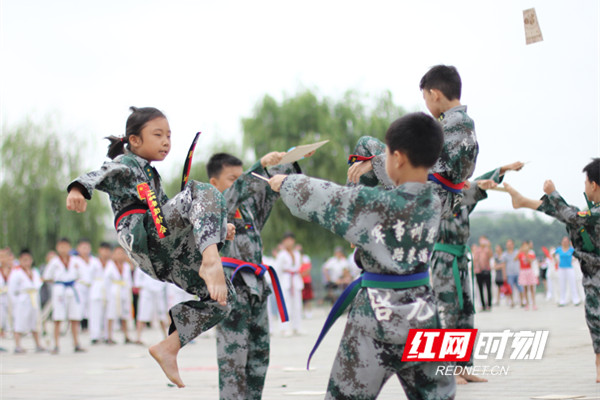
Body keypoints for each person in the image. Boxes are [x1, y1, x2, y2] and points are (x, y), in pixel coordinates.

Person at [268, 112, 456, 399]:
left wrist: (286, 181)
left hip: (376, 317)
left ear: (400, 158)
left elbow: (330, 197)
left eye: (388, 154)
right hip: (425, 314)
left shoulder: (375, 205)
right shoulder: (434, 200)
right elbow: (404, 187)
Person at [66, 106, 235, 388]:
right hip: (144, 234)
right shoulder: (127, 164)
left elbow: (177, 214)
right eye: (158, 135)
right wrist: (78, 190)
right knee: (202, 190)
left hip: (162, 256)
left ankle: (170, 347)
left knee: (225, 297)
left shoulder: (152, 176)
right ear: (134, 140)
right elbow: (101, 173)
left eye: (169, 135)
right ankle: (210, 259)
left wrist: (215, 228)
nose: (166, 141)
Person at [207, 150, 305, 400]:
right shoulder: (212, 206)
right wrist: (258, 166)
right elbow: (239, 189)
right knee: (233, 360)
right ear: (214, 183)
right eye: (232, 178)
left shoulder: (249, 210)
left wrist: (289, 162)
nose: (240, 181)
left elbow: (269, 190)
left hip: (257, 288)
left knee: (258, 358)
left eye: (242, 176)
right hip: (232, 288)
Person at [505, 158, 600, 380]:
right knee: (595, 318)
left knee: (596, 318)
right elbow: (574, 217)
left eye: (586, 182)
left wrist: (553, 193)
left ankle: (524, 202)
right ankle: (523, 202)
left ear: (594, 184)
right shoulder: (593, 213)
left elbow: (574, 218)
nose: (584, 187)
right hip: (593, 273)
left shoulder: (595, 214)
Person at [430, 161, 523, 385]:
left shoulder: (462, 198)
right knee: (448, 312)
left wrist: (503, 170)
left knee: (466, 311)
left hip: (461, 259)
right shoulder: (436, 195)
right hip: (443, 260)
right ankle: (448, 369)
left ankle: (464, 367)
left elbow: (481, 184)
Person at [347, 65, 478, 219]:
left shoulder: (456, 122)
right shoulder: (460, 121)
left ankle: (351, 215)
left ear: (434, 94)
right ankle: (354, 214)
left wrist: (373, 162)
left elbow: (424, 159)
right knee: (367, 145)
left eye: (425, 98)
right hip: (438, 191)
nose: (427, 104)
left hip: (433, 195)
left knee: (366, 148)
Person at [42, 238, 86, 354]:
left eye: (66, 246)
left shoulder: (76, 260)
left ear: (70, 247)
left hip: (72, 289)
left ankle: (76, 343)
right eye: (61, 246)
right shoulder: (54, 261)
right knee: (58, 318)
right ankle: (56, 344)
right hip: (60, 290)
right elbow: (46, 277)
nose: (63, 249)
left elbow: (83, 275)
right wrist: (58, 282)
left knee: (75, 318)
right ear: (57, 247)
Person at [8, 249, 45, 353]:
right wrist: (16, 303)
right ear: (20, 260)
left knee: (35, 322)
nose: (26, 262)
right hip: (22, 300)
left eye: (28, 260)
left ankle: (38, 344)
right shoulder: (16, 273)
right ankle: (18, 345)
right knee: (19, 322)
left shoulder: (34, 272)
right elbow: (12, 290)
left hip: (33, 299)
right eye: (24, 260)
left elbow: (37, 285)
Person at [276, 232, 304, 337]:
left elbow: (299, 267)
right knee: (285, 305)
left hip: (295, 279)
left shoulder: (297, 253)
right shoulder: (281, 254)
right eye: (287, 240)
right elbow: (278, 270)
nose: (289, 242)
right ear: (283, 241)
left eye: (291, 240)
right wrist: (278, 283)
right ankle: (284, 328)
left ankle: (297, 327)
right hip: (285, 280)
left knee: (297, 305)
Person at [105, 246, 133, 344]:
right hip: (114, 291)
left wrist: (129, 294)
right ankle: (109, 336)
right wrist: (107, 294)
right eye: (117, 253)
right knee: (111, 314)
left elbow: (129, 281)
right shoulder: (110, 265)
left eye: (122, 253)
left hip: (124, 291)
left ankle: (126, 335)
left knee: (125, 314)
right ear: (113, 255)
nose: (120, 255)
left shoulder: (127, 266)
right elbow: (106, 281)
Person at [134, 265, 168, 344]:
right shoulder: (141, 262)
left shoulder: (160, 262)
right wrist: (140, 287)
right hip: (146, 292)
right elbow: (138, 280)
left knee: (161, 314)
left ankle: (166, 336)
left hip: (159, 291)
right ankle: (138, 337)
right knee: (142, 314)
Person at [89, 242, 111, 345]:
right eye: (104, 250)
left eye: (107, 250)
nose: (105, 253)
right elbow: (88, 277)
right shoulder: (93, 262)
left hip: (107, 290)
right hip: (96, 290)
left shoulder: (111, 263)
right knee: (95, 313)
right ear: (99, 250)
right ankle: (94, 335)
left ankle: (106, 335)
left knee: (107, 314)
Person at [554, 237, 581, 306]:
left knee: (572, 283)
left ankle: (575, 299)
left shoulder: (571, 249)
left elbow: (577, 255)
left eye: (566, 241)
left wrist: (573, 260)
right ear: (562, 242)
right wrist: (557, 261)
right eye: (564, 241)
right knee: (562, 284)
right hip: (561, 268)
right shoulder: (559, 249)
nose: (565, 243)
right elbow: (553, 255)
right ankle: (562, 300)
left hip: (569, 268)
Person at [74, 239, 93, 331]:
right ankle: (77, 325)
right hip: (79, 286)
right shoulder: (74, 260)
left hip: (90, 286)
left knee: (89, 306)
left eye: (87, 248)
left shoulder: (93, 260)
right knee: (79, 306)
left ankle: (87, 325)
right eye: (83, 248)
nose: (85, 250)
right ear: (78, 249)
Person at [500, 239, 522, 307]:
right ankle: (512, 301)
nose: (509, 246)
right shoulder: (504, 254)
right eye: (508, 245)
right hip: (509, 274)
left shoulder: (517, 252)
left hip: (517, 272)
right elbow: (503, 265)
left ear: (513, 245)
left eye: (510, 244)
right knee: (510, 289)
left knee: (520, 288)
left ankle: (522, 301)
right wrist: (504, 275)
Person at [473, 236, 493, 311]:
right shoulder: (477, 250)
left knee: (488, 288)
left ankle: (489, 304)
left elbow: (491, 256)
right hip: (479, 271)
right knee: (480, 288)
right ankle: (483, 304)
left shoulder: (487, 250)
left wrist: (488, 246)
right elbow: (475, 260)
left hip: (486, 271)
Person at [516, 241, 538, 310]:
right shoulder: (520, 254)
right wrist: (520, 252)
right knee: (525, 289)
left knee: (531, 288)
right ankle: (527, 304)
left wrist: (526, 255)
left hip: (529, 271)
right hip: (523, 271)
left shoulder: (530, 254)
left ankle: (534, 303)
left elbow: (531, 261)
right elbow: (515, 259)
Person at [0, 248, 14, 340]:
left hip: (10, 296)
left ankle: (10, 331)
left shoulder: (13, 269)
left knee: (11, 315)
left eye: (3, 257)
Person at [298, 245, 314, 319]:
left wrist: (300, 275)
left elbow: (307, 270)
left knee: (307, 298)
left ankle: (308, 312)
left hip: (306, 280)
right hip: (298, 281)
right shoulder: (295, 258)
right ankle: (301, 312)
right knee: (300, 298)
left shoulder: (306, 258)